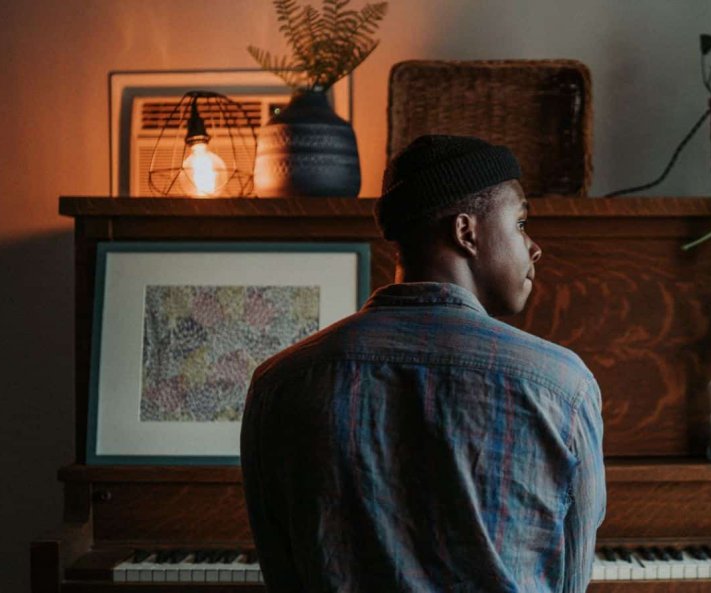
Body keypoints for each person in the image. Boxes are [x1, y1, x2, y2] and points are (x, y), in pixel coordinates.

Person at [240, 134, 606, 593]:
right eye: (521, 223)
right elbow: (571, 581)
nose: (534, 248)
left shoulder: (279, 382)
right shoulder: (562, 384)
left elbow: (283, 571)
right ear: (465, 232)